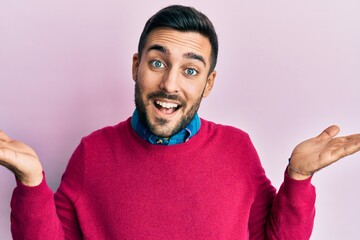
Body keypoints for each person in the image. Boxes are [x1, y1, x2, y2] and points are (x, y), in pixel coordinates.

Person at [0, 5, 359, 240]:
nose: (170, 84)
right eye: (157, 63)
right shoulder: (92, 152)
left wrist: (297, 178)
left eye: (190, 70)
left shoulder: (238, 149)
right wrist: (30, 181)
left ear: (209, 83)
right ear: (135, 67)